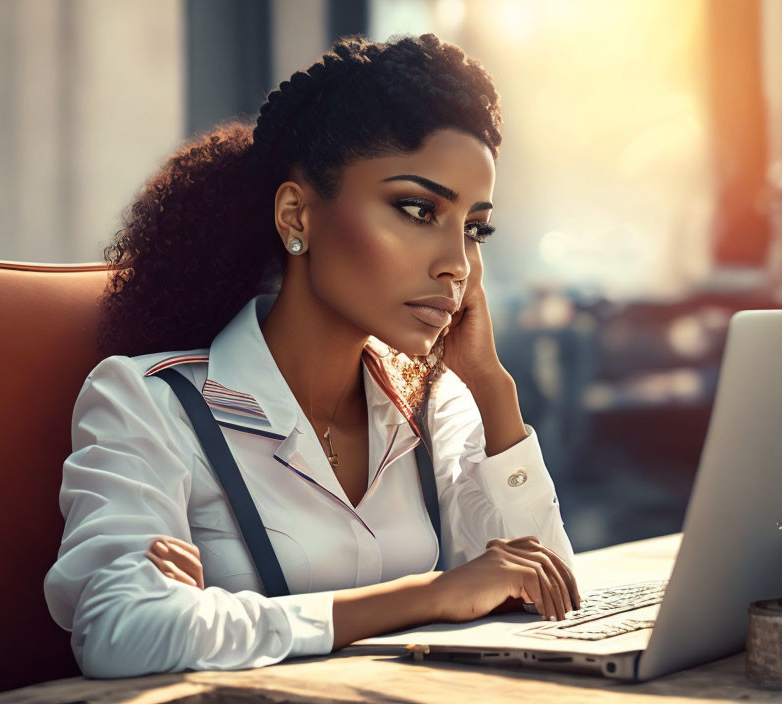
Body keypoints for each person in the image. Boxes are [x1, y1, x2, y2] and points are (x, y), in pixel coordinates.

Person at [44, 32, 580, 678]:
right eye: (417, 209)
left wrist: (492, 387)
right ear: (297, 216)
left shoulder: (433, 407)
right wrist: (428, 595)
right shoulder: (149, 406)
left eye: (473, 229)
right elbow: (117, 630)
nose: (457, 265)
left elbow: (553, 601)